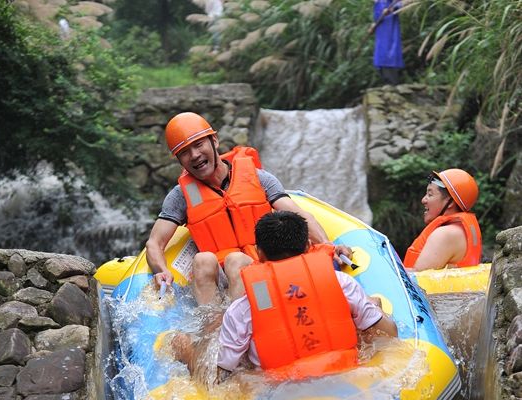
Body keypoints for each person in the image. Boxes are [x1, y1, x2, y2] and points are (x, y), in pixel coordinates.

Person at [145, 112, 351, 306]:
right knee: (202, 259)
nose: (195, 155)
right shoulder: (180, 195)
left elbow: (297, 214)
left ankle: (241, 326)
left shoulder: (259, 178)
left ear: (214, 141)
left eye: (199, 145)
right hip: (222, 277)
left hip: (264, 266)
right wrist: (161, 270)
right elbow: (155, 243)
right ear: (179, 160)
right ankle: (211, 334)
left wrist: (327, 245)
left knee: (236, 260)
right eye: (184, 152)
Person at [174, 211, 398, 383]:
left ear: (259, 253)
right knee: (371, 307)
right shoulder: (342, 283)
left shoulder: (246, 306)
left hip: (276, 392)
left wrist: (189, 356)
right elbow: (389, 334)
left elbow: (216, 377)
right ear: (308, 247)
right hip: (345, 377)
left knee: (182, 342)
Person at [403, 169, 482, 271]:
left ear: (450, 203)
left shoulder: (445, 234)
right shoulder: (459, 231)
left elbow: (415, 280)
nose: (423, 200)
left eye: (430, 195)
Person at [372, 0, 405, 85]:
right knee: (381, 55)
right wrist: (373, 25)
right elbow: (377, 15)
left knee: (389, 54)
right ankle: (386, 82)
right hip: (380, 30)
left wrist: (392, 8)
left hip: (390, 29)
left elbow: (402, 3)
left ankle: (393, 82)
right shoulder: (377, 2)